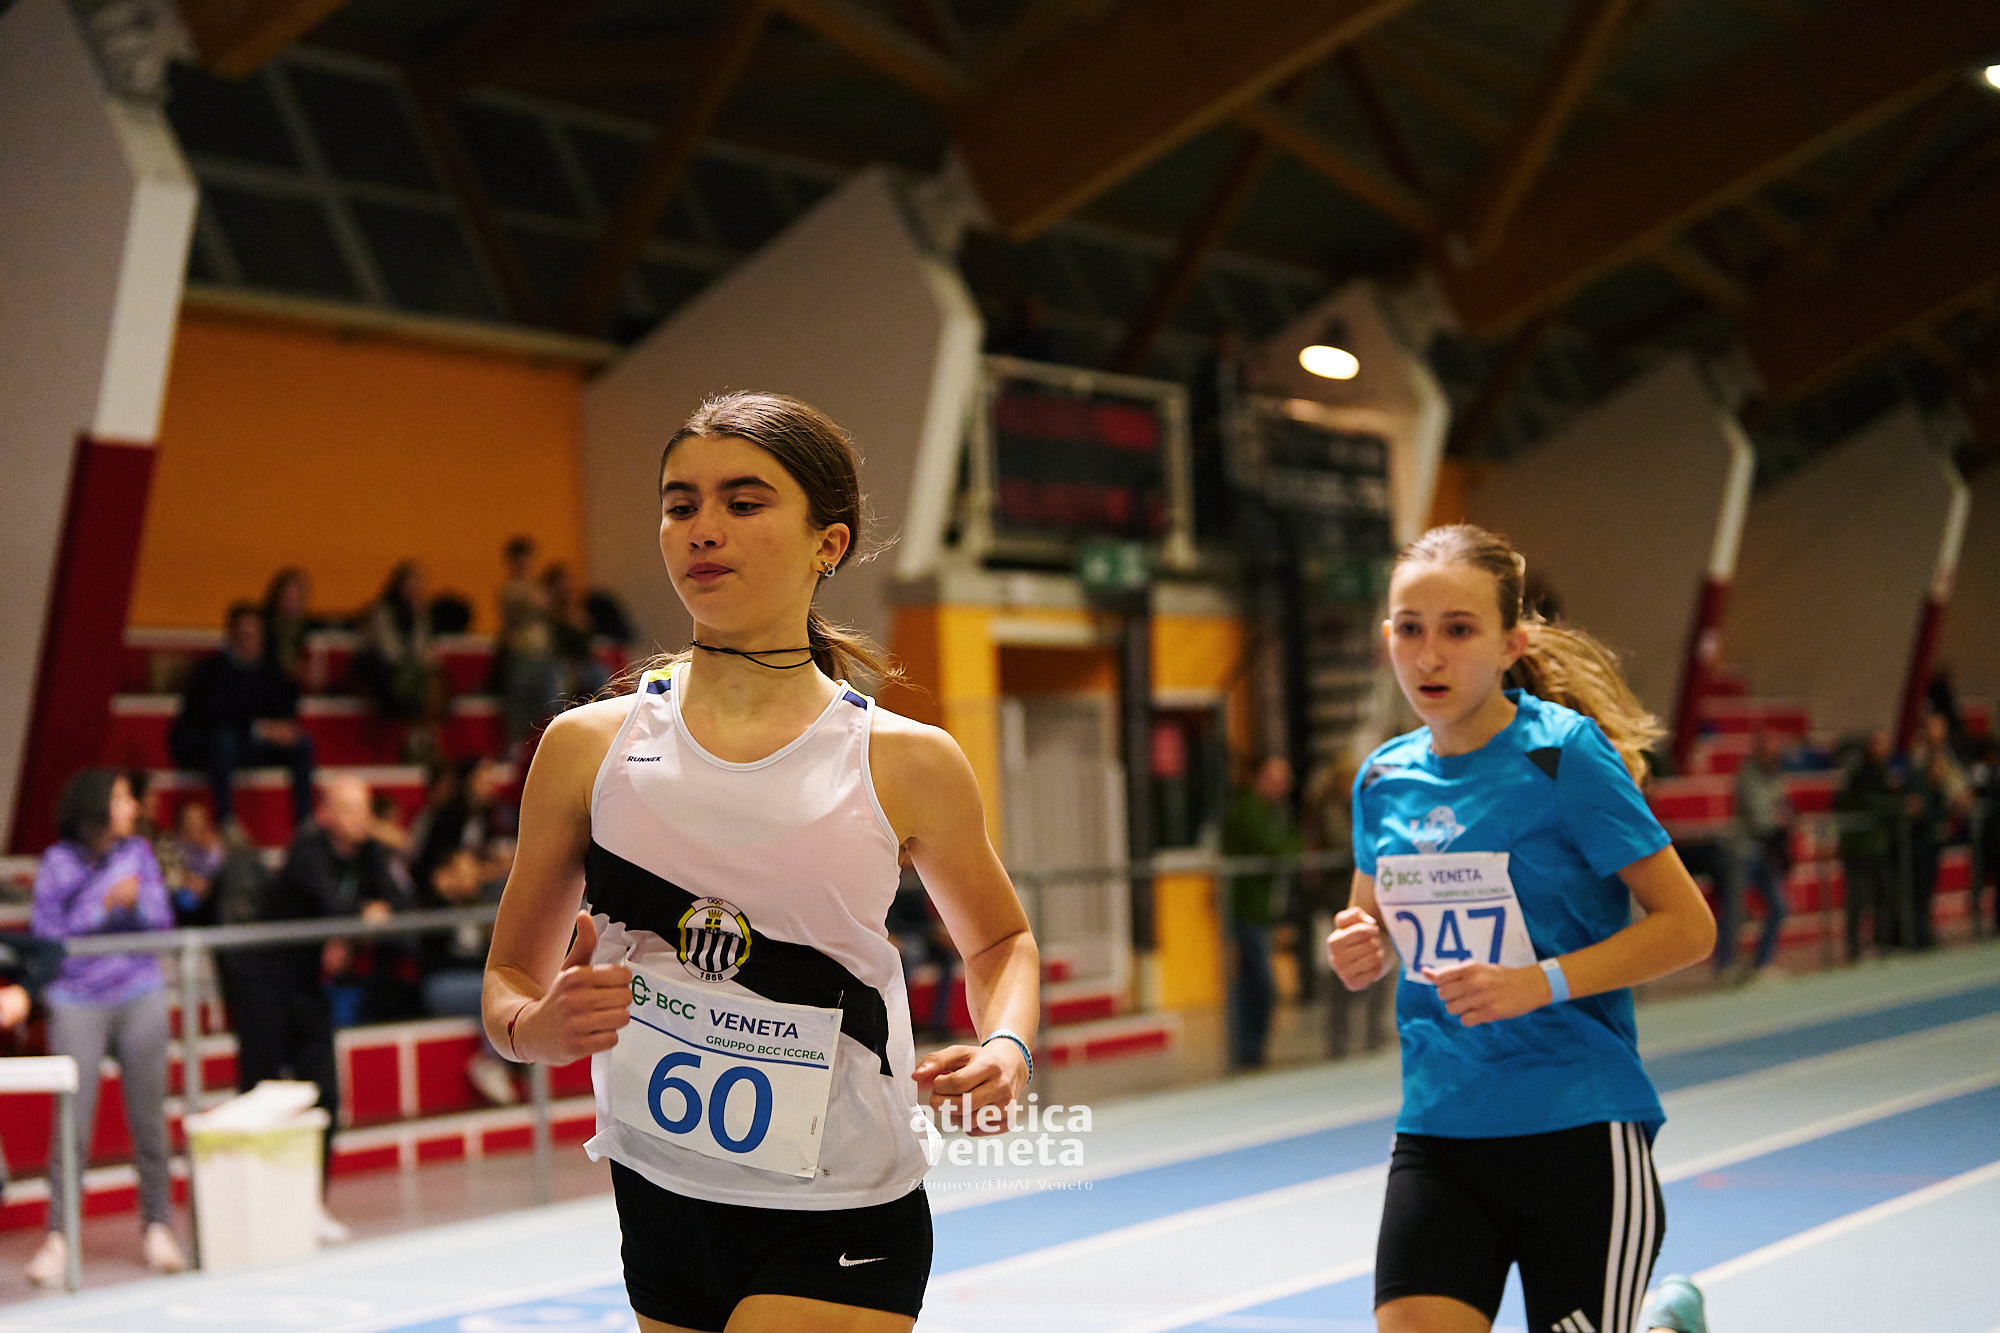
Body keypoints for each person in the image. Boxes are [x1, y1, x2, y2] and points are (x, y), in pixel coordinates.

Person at [482, 391, 1040, 1333]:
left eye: (743, 503)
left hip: (838, 1207)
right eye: (680, 505)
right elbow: (507, 981)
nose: (703, 528)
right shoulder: (586, 747)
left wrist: (1007, 1047)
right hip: (657, 1192)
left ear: (830, 542)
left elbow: (1000, 941)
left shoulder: (904, 760)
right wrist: (537, 1028)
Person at [1327, 524, 1715, 1333]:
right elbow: (1374, 924)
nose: (1429, 655)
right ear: (1387, 636)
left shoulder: (1562, 755)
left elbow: (1688, 926)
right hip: (1441, 1127)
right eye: (1410, 628)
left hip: (1576, 1126)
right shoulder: (1383, 777)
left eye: (1458, 630)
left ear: (1512, 643)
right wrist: (1361, 946)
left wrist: (1540, 982)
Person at [26, 769, 187, 1285]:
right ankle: (60, 1236)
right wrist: (105, 905)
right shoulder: (57, 862)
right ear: (95, 805)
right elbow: (47, 935)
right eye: (120, 798)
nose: (132, 807)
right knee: (71, 1124)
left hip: (139, 991)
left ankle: (158, 1226)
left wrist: (135, 904)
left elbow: (162, 919)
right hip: (76, 999)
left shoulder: (138, 852)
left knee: (150, 1119)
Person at [230, 774, 401, 1244]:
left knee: (325, 1096)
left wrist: (363, 916)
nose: (361, 819)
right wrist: (360, 916)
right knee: (259, 1094)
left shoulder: (368, 852)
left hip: (308, 989)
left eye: (365, 808)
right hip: (264, 985)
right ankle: (253, 1207)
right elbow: (332, 903)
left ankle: (311, 1204)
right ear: (326, 814)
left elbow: (400, 900)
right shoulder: (306, 849)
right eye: (350, 809)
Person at [412, 755, 519, 1104]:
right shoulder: (431, 904)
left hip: (472, 974)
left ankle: (506, 1059)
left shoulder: (480, 902)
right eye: (467, 865)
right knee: (498, 992)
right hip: (442, 981)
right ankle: (492, 1060)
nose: (476, 871)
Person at [169, 602, 316, 830]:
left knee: (302, 743)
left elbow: (285, 712)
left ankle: (305, 823)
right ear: (231, 634)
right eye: (243, 633)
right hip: (213, 746)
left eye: (253, 633)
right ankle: (227, 821)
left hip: (255, 745)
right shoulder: (211, 670)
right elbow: (211, 717)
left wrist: (284, 729)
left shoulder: (271, 669)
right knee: (223, 740)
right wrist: (261, 729)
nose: (248, 638)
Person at [1223, 754, 1301, 1069]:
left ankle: (1254, 1047)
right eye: (1276, 778)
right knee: (1258, 983)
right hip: (1246, 911)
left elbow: (1295, 844)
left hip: (1265, 911)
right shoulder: (1248, 811)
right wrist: (1287, 850)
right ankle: (1248, 1048)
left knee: (1256, 982)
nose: (1283, 786)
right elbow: (1274, 848)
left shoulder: (1277, 813)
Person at [1719, 729, 1792, 979]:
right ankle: (1725, 965)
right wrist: (1777, 817)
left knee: (1779, 907)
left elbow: (1785, 808)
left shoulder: (1776, 775)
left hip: (1766, 852)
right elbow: (1760, 816)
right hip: (1743, 849)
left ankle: (1762, 963)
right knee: (1735, 907)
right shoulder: (1747, 774)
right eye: (1770, 750)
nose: (1774, 755)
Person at [357, 561, 445, 759]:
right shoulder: (382, 612)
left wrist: (425, 657)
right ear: (399, 585)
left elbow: (424, 647)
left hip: (414, 674)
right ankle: (420, 734)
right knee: (421, 679)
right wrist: (419, 659)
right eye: (410, 585)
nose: (415, 591)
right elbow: (390, 653)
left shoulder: (421, 614)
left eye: (418, 586)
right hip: (385, 674)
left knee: (433, 677)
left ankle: (423, 734)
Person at [1834, 732, 1900, 959]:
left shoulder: (1884, 770)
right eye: (1879, 744)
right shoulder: (1858, 772)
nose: (1885, 749)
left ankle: (1881, 942)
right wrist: (1897, 804)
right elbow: (1862, 801)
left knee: (1882, 895)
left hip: (1877, 847)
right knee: (1857, 899)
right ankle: (1854, 948)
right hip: (1857, 848)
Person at [497, 536, 560, 751]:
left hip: (543, 653)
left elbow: (550, 608)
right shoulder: (509, 589)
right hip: (520, 652)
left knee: (547, 703)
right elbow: (520, 609)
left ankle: (545, 745)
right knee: (519, 703)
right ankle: (515, 747)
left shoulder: (538, 587)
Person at [261, 566, 316, 690]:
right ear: (276, 596)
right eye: (287, 596)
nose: (291, 602)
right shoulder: (262, 626)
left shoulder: (309, 627)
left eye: (296, 597)